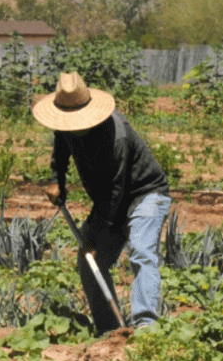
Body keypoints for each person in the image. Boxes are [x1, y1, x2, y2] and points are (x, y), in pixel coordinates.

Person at [32, 72, 171, 334]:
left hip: (145, 193)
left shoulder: (115, 134)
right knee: (88, 261)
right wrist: (56, 179)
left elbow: (116, 190)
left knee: (141, 250)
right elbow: (60, 147)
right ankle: (111, 332)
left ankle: (145, 326)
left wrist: (98, 235)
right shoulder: (65, 124)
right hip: (109, 199)